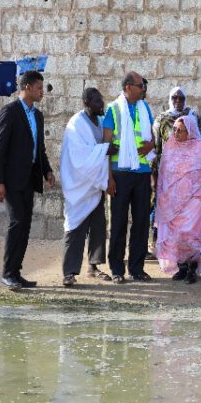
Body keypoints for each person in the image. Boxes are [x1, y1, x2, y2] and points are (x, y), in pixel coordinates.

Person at [0, 70, 54, 290]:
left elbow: (40, 148)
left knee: (25, 225)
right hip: (11, 180)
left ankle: (16, 273)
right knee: (16, 222)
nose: (41, 93)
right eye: (39, 88)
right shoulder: (10, 111)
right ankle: (7, 273)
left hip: (29, 179)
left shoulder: (37, 115)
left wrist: (47, 171)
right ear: (27, 87)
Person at [60, 88, 118, 286]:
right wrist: (105, 149)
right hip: (79, 185)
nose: (102, 105)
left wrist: (107, 151)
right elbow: (79, 156)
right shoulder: (76, 124)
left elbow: (103, 148)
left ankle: (94, 266)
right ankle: (69, 272)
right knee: (75, 227)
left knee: (98, 227)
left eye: (101, 100)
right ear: (86, 102)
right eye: (97, 101)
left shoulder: (101, 122)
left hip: (95, 185)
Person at [103, 71, 156, 284]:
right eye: (140, 85)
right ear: (128, 87)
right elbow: (106, 146)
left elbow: (152, 138)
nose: (143, 88)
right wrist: (109, 178)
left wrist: (152, 145)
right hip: (120, 173)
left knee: (142, 222)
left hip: (142, 173)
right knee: (118, 222)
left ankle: (137, 268)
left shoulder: (145, 108)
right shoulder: (113, 109)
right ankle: (117, 269)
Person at [155, 115, 201, 284]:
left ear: (189, 132)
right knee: (176, 234)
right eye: (174, 130)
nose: (176, 133)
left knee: (191, 234)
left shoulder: (200, 147)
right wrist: (161, 195)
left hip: (197, 199)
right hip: (173, 201)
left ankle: (193, 268)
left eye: (180, 131)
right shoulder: (169, 147)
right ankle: (182, 267)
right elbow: (163, 174)